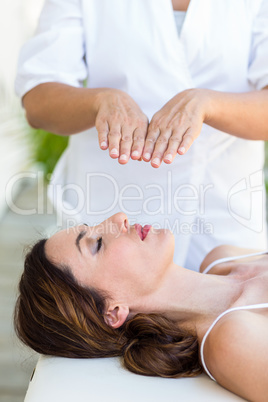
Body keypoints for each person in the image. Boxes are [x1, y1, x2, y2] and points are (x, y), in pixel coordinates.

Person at [15, 0, 268, 271]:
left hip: (222, 215)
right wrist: (100, 101)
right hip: (110, 219)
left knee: (228, 303)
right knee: (110, 305)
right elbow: (38, 102)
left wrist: (208, 104)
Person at [15, 213, 268, 401]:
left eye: (93, 226)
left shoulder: (223, 258)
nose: (119, 218)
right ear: (113, 311)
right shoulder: (231, 340)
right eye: (98, 243)